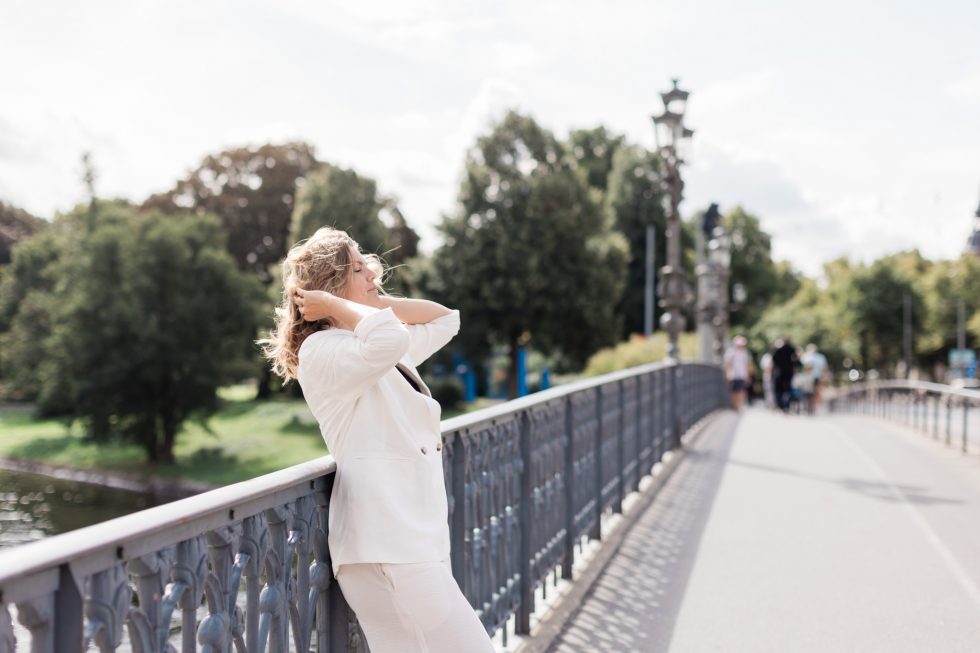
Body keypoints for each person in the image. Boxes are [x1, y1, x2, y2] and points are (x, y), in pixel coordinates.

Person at [260, 227, 494, 653]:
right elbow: (391, 337)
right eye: (356, 267)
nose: (370, 271)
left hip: (402, 541)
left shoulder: (366, 344)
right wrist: (337, 306)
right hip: (388, 545)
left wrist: (369, 302)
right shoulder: (325, 350)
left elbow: (446, 319)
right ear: (331, 283)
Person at [724, 335, 754, 411]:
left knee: (741, 391)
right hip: (733, 375)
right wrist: (727, 373)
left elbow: (747, 365)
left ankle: (739, 406)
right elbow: (728, 364)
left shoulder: (745, 353)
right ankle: (734, 405)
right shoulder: (731, 352)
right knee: (734, 391)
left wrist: (748, 376)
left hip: (742, 375)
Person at [771, 338, 798, 413]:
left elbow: (774, 360)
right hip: (788, 372)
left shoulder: (778, 350)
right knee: (788, 389)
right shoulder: (791, 349)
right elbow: (796, 360)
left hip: (779, 372)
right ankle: (786, 405)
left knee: (779, 389)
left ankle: (781, 405)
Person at [801, 343, 829, 411]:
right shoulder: (805, 357)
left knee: (814, 392)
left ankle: (812, 406)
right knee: (812, 392)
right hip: (810, 378)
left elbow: (825, 369)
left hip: (815, 377)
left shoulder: (806, 357)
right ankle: (812, 406)